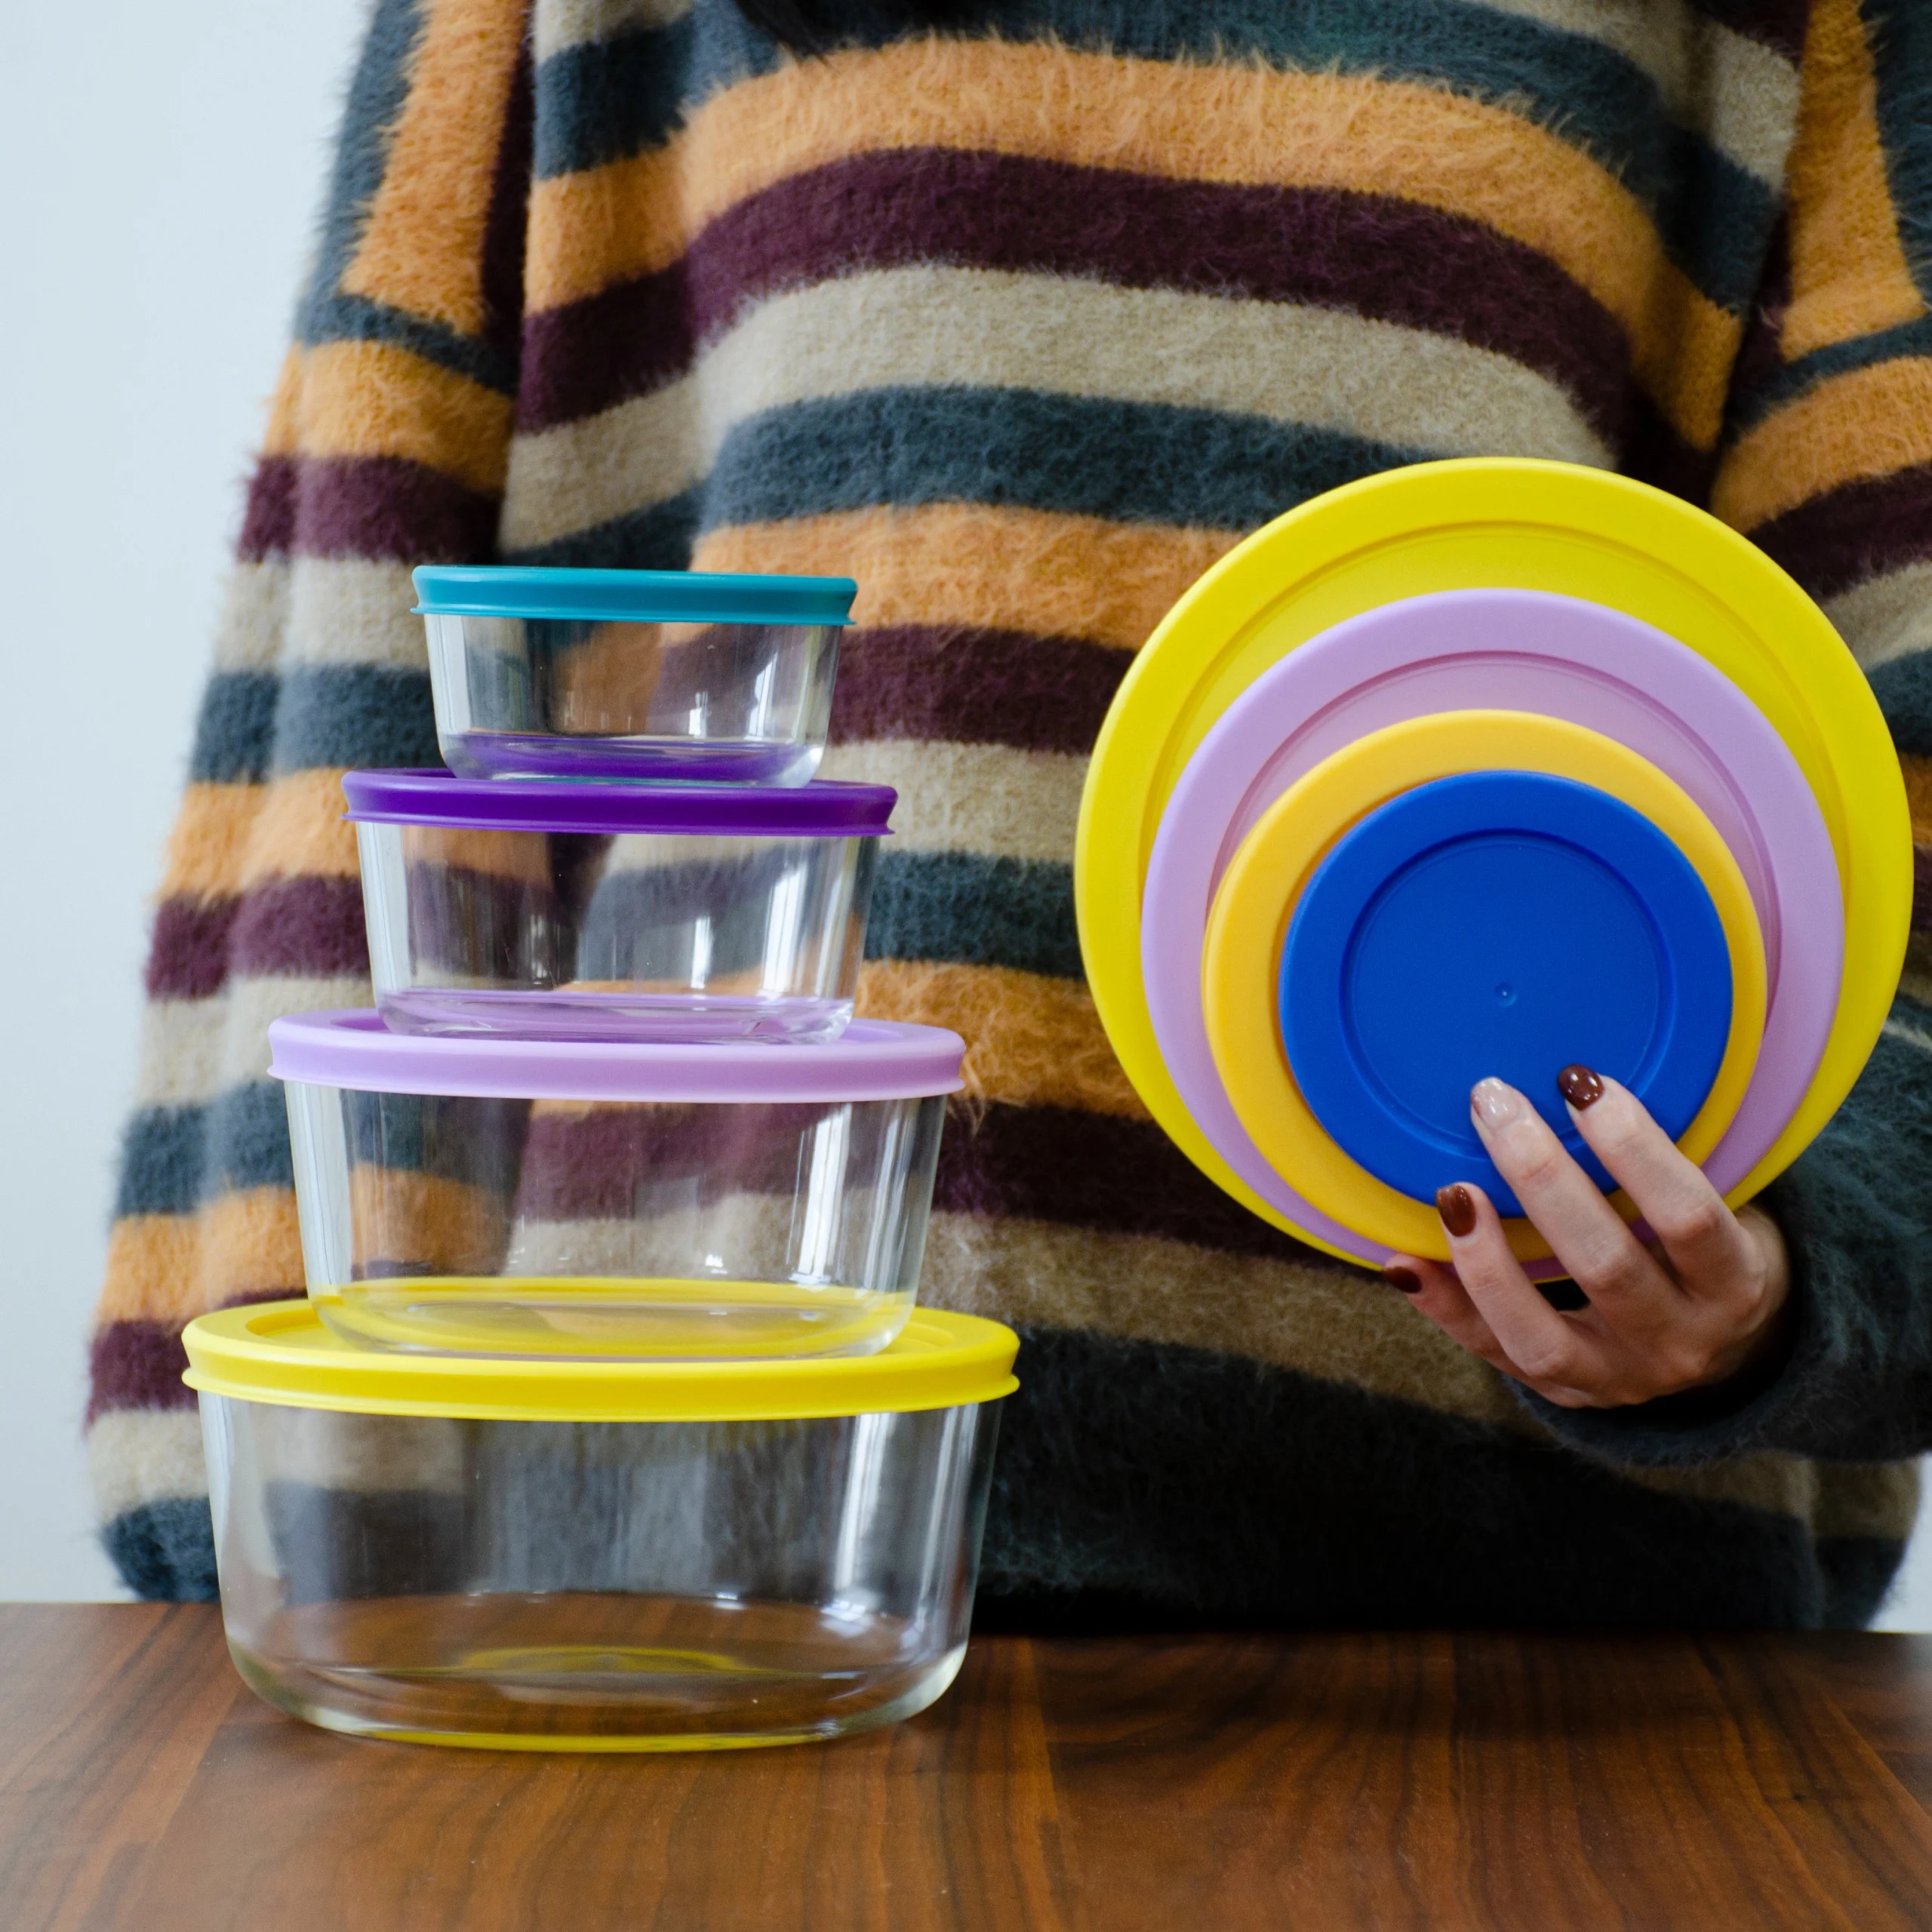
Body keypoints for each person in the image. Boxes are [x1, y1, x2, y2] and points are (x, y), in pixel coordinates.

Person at [92, 0, 1932, 1626]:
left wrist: (1792, 1285)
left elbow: (1896, 786)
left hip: (1516, 1662)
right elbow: (368, 695)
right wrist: (272, 1500)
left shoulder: (1766, 30)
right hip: (688, 1577)